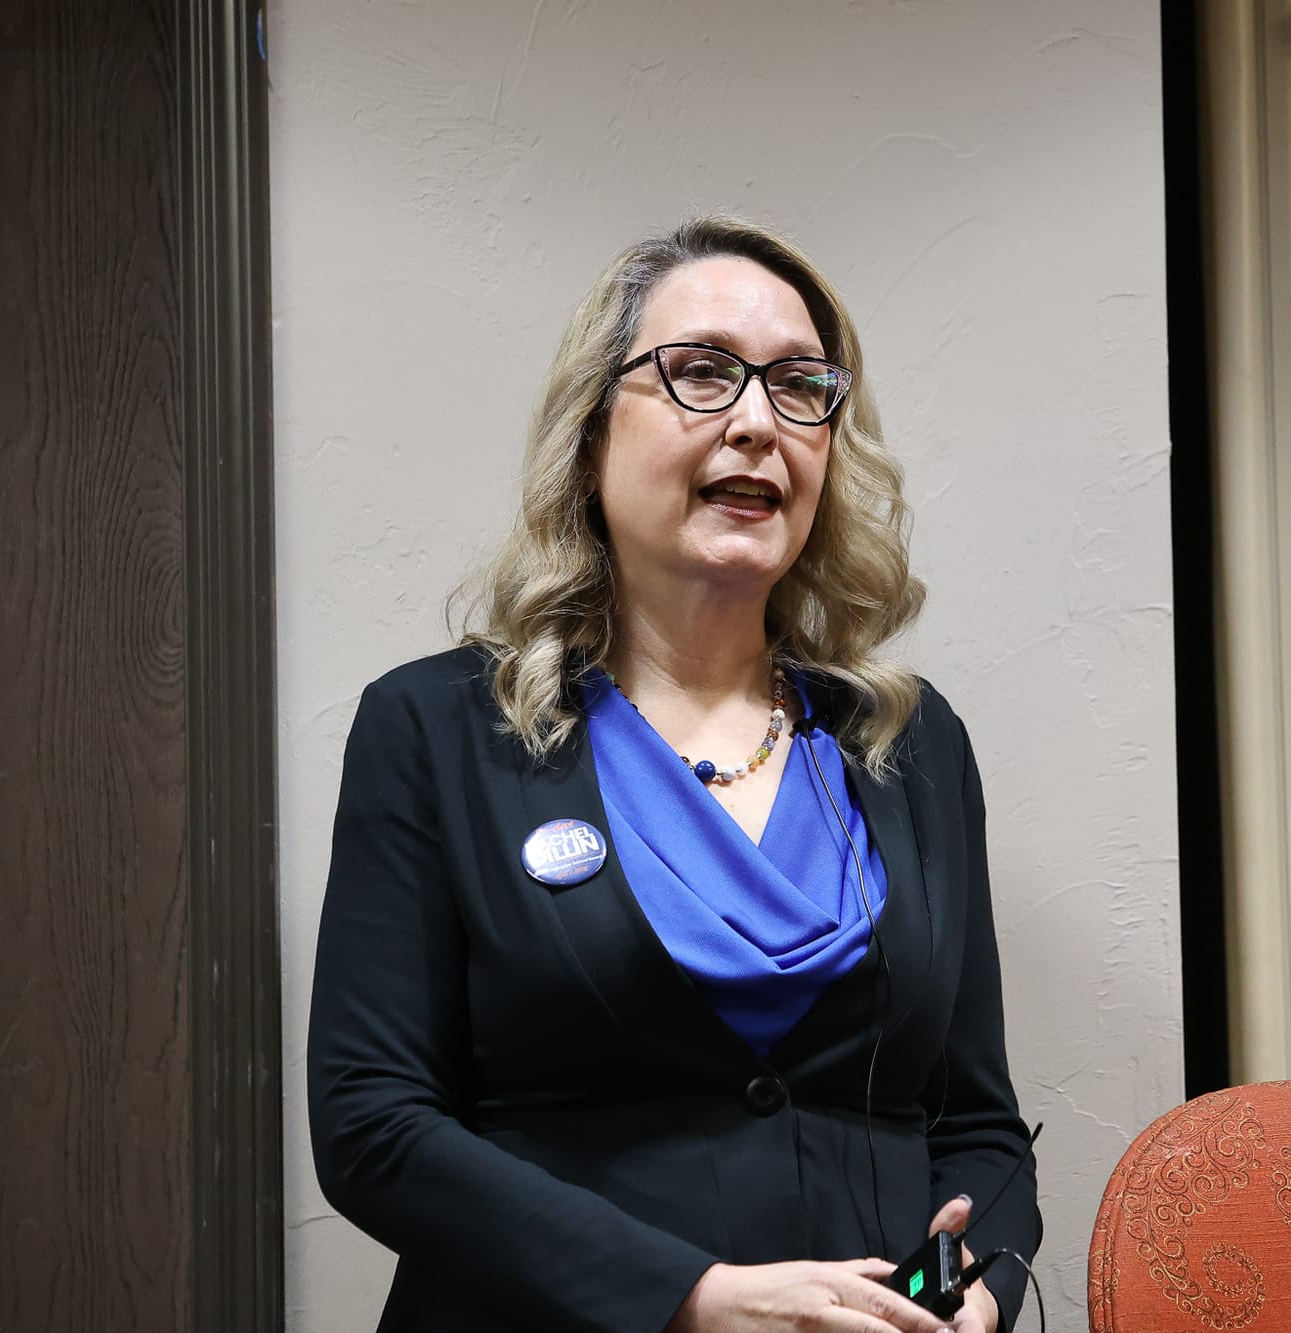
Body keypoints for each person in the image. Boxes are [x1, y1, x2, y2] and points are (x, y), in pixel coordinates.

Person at [308, 215, 1041, 1332]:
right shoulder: (437, 729)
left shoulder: (908, 742)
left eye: (801, 388)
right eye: (700, 373)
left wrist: (979, 1281)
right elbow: (372, 1124)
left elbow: (979, 1126)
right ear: (592, 434)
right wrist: (687, 1299)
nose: (758, 422)